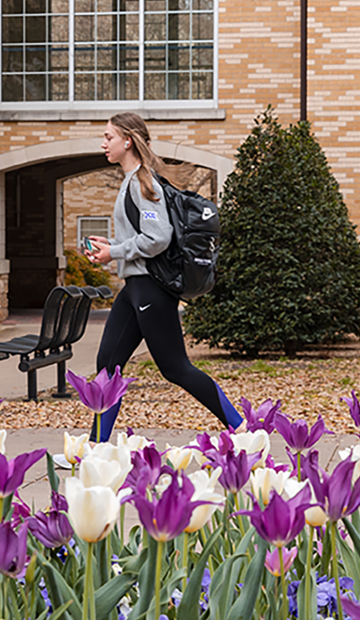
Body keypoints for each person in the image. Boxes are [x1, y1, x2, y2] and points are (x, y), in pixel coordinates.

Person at [81, 112, 242, 442]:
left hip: (150, 288)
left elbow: (158, 238)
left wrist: (116, 252)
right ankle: (97, 446)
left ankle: (243, 428)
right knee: (108, 365)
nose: (103, 143)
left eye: (109, 137)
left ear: (127, 141)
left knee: (175, 368)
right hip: (135, 287)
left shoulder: (143, 182)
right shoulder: (133, 181)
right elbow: (144, 237)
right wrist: (113, 246)